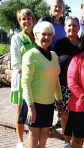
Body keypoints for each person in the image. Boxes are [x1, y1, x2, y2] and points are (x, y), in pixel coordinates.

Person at [21, 21, 63, 148]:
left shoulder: (54, 55)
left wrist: (60, 102)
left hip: (48, 103)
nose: (47, 37)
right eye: (44, 34)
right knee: (34, 138)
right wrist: (30, 106)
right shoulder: (30, 55)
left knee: (44, 137)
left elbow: (55, 80)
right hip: (33, 103)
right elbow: (25, 82)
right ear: (36, 34)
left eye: (50, 34)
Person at [10, 8, 36, 148]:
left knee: (34, 110)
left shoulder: (37, 36)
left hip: (36, 81)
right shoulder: (17, 38)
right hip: (21, 81)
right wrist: (28, 77)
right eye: (23, 19)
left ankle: (32, 138)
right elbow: (15, 63)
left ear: (33, 20)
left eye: (29, 18)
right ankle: (20, 141)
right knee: (21, 111)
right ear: (20, 22)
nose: (26, 21)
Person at [53, 16, 80, 148]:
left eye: (74, 25)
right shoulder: (60, 44)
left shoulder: (83, 44)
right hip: (63, 86)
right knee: (65, 115)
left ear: (79, 28)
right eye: (69, 25)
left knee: (78, 116)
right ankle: (67, 142)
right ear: (64, 28)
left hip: (80, 87)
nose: (72, 28)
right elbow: (54, 65)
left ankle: (77, 140)